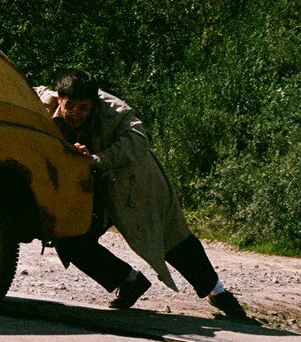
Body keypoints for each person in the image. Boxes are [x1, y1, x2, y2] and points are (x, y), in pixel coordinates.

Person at [36, 69, 254, 323]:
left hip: (131, 183)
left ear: (94, 105)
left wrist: (98, 159)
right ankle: (128, 281)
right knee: (69, 237)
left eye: (83, 108)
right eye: (69, 107)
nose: (75, 114)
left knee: (171, 238)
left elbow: (138, 141)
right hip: (90, 188)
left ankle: (220, 293)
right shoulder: (46, 101)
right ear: (60, 99)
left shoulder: (116, 111)